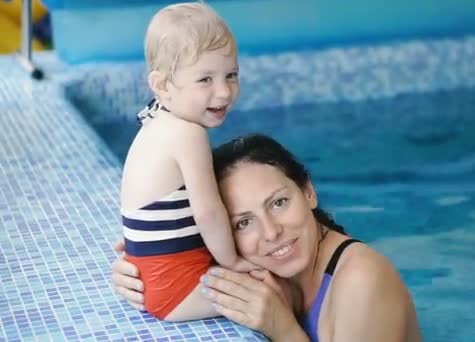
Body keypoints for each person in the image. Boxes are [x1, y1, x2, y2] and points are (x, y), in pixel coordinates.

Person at [113, 134, 422, 341]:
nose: (271, 232)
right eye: (243, 222)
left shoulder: (362, 280)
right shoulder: (263, 268)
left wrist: (283, 329)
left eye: (278, 203)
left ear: (308, 192)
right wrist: (145, 271)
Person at [119, 2, 257, 322]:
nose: (224, 92)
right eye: (205, 80)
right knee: (276, 283)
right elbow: (207, 212)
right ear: (163, 85)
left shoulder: (156, 120)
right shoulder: (187, 134)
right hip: (177, 290)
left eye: (231, 74)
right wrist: (232, 262)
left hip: (152, 279)